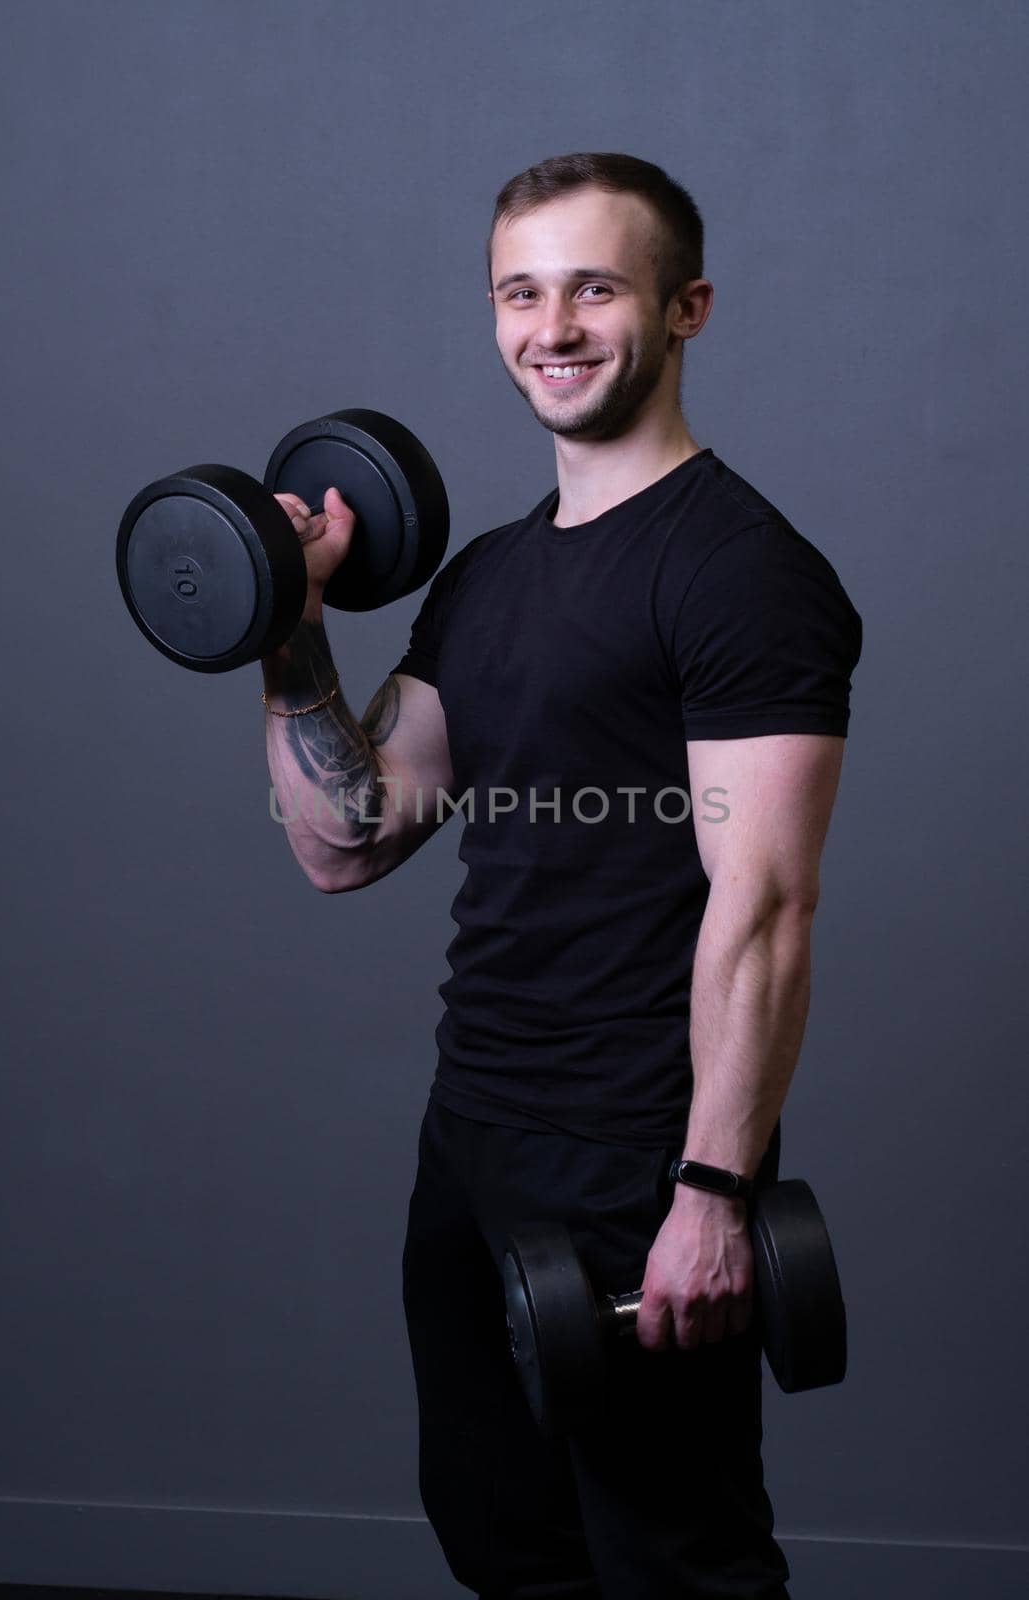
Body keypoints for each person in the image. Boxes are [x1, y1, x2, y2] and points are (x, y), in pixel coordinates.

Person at [261, 151, 863, 1599]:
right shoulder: (486, 577)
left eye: (596, 286)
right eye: (520, 293)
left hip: (636, 1148)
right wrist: (287, 627)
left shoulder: (742, 571)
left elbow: (765, 907)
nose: (556, 327)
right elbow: (351, 839)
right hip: (475, 1122)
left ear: (685, 307)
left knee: (672, 1555)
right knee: (501, 1535)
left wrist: (711, 1191)